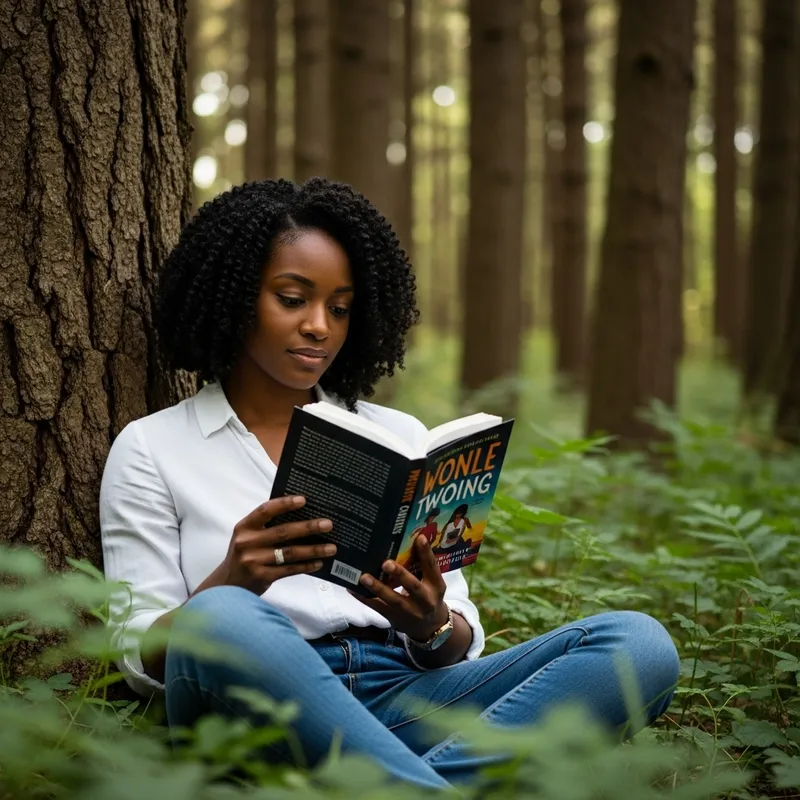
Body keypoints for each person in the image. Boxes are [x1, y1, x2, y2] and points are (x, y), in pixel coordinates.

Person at [100, 178, 680, 792]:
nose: (320, 326)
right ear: (234, 296)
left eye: (341, 307)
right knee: (221, 616)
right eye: (293, 298)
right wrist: (232, 580)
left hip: (408, 697)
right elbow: (136, 660)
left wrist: (429, 621)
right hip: (264, 704)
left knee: (637, 646)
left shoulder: (397, 434)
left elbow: (459, 640)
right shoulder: (154, 447)